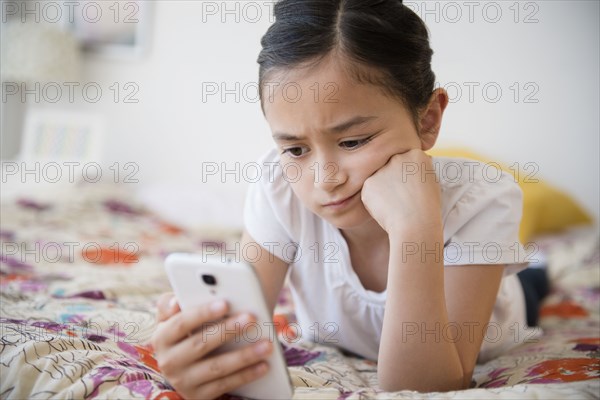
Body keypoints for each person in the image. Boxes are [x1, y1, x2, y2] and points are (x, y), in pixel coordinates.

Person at [151, 0, 541, 397]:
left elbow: (424, 388)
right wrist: (196, 358)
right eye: (296, 149)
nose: (325, 180)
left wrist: (415, 230)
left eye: (353, 141)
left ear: (427, 121)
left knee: (532, 283)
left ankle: (535, 271)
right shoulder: (277, 184)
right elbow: (239, 340)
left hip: (499, 308)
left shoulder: (481, 200)